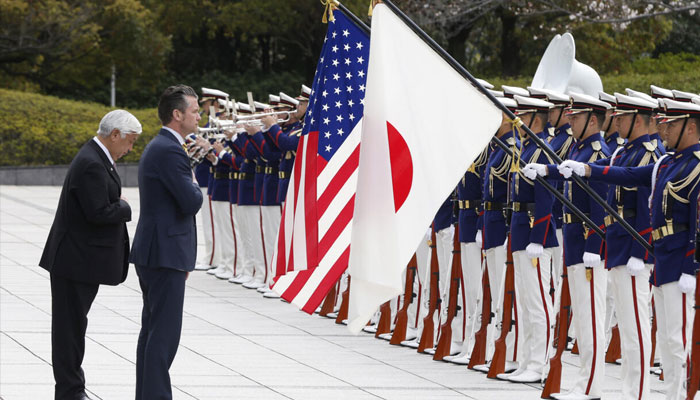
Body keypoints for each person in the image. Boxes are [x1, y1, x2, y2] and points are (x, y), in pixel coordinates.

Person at [557, 98, 700, 400]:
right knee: (664, 335)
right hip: (662, 259)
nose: (663, 129)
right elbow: (628, 176)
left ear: (690, 127)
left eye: (671, 124)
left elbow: (696, 223)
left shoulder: (696, 167)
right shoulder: (666, 163)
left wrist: (688, 266)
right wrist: (585, 169)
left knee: (677, 341)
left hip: (679, 262)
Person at [40, 110, 142, 400]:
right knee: (69, 329)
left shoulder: (95, 157)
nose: (130, 149)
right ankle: (70, 391)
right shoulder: (92, 164)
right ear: (114, 135)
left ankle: (71, 389)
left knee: (73, 326)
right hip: (75, 261)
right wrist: (124, 207)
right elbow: (98, 212)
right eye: (130, 142)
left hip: (78, 259)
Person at [523, 92, 611, 400]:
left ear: (592, 119)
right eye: (570, 115)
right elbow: (563, 173)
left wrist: (596, 242)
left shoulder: (598, 152)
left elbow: (602, 204)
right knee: (583, 318)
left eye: (576, 116)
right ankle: (582, 383)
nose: (569, 119)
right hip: (575, 241)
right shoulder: (579, 148)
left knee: (591, 318)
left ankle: (591, 386)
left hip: (589, 244)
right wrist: (544, 171)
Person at [130, 84, 209, 400]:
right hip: (165, 253)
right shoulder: (170, 149)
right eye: (194, 111)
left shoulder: (164, 147)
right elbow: (190, 201)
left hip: (158, 251)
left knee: (152, 332)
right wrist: (192, 178)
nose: (198, 116)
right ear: (177, 114)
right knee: (163, 335)